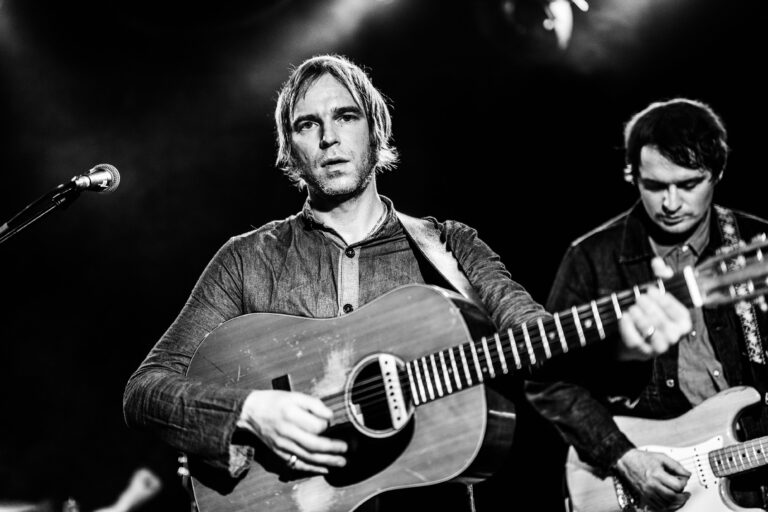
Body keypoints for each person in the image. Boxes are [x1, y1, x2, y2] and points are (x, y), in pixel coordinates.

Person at [122, 55, 691, 511]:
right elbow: (145, 391)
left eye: (345, 117)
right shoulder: (248, 260)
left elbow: (536, 339)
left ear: (376, 129)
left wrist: (620, 342)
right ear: (289, 147)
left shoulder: (449, 246)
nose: (328, 137)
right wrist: (249, 412)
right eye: (307, 124)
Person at [527, 97, 768, 510]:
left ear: (718, 172)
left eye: (689, 184)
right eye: (654, 186)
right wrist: (624, 456)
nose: (671, 203)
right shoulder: (590, 257)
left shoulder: (752, 245)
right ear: (632, 174)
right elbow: (548, 380)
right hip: (655, 480)